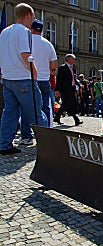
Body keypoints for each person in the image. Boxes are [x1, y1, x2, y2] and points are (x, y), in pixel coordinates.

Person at [0, 3, 48, 155]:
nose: (32, 20)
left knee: (9, 113)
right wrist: (34, 71)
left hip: (7, 78)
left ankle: (4, 143)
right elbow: (25, 54)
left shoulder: (4, 32)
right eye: (32, 17)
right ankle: (50, 143)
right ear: (28, 15)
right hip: (23, 78)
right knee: (36, 112)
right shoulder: (24, 31)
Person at [29, 19, 57, 127]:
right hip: (45, 79)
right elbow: (54, 65)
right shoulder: (48, 44)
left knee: (29, 107)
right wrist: (48, 72)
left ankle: (27, 133)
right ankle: (46, 128)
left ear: (31, 28)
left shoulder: (27, 41)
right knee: (45, 106)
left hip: (30, 78)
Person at [54, 54, 83, 126]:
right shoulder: (63, 68)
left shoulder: (71, 68)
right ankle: (76, 119)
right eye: (73, 59)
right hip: (65, 89)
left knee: (65, 105)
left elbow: (73, 78)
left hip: (71, 89)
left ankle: (57, 117)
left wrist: (79, 84)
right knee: (71, 104)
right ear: (69, 59)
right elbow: (59, 79)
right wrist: (57, 90)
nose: (74, 60)